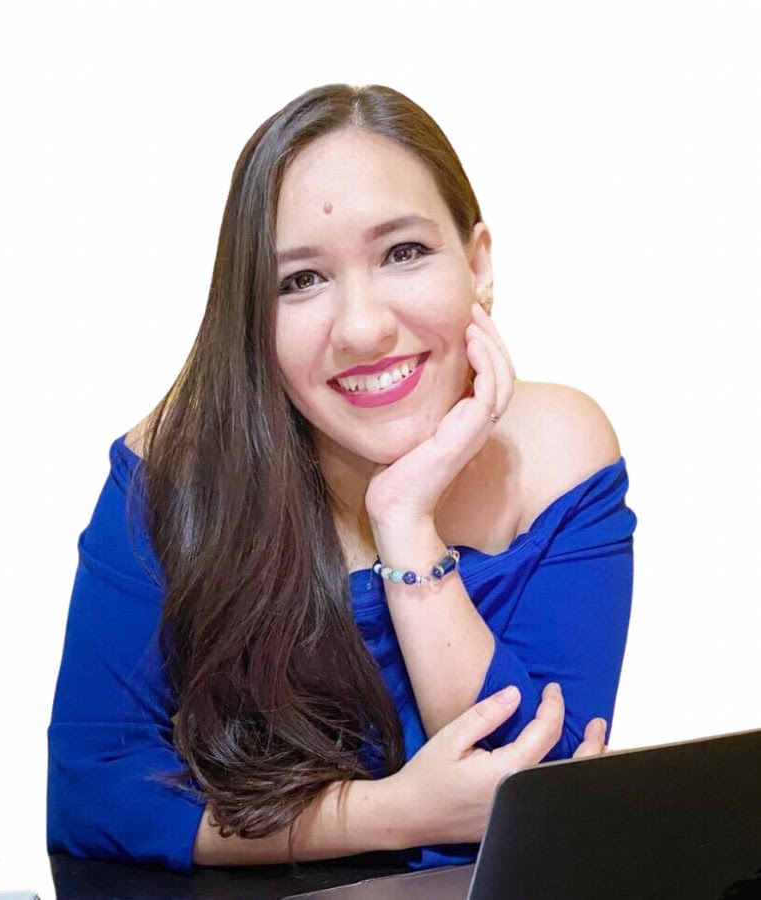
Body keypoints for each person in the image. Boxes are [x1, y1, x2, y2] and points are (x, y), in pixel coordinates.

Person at [46, 83, 636, 873]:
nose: (362, 328)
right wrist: (388, 813)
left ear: (479, 265)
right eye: (300, 281)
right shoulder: (175, 473)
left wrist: (406, 523)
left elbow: (538, 802)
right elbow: (93, 793)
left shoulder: (558, 451)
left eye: (403, 253)